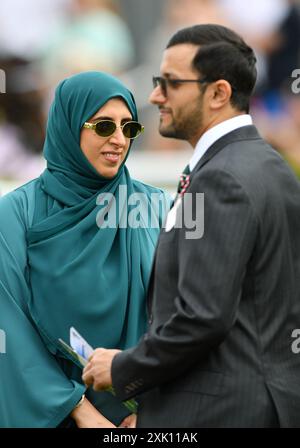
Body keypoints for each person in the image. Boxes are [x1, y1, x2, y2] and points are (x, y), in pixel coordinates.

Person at [82, 25, 300, 428]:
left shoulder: (221, 178)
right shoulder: (271, 166)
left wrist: (124, 368)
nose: (154, 96)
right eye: (156, 82)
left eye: (170, 83)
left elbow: (202, 317)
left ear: (218, 93)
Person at [0, 71, 170, 428]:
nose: (119, 140)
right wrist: (79, 410)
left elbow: (184, 319)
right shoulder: (16, 214)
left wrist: (151, 411)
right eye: (104, 126)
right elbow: (9, 328)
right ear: (68, 126)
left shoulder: (153, 206)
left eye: (129, 128)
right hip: (55, 416)